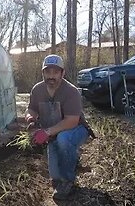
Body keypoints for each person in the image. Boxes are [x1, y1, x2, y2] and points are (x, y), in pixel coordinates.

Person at [25, 54, 93, 200]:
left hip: (76, 129)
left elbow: (72, 121)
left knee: (64, 139)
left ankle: (68, 180)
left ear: (63, 73)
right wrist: (30, 117)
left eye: (55, 72)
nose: (51, 76)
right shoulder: (37, 90)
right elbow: (31, 108)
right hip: (52, 133)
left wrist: (46, 132)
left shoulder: (71, 91)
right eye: (48, 72)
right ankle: (70, 160)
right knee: (55, 176)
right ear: (43, 73)